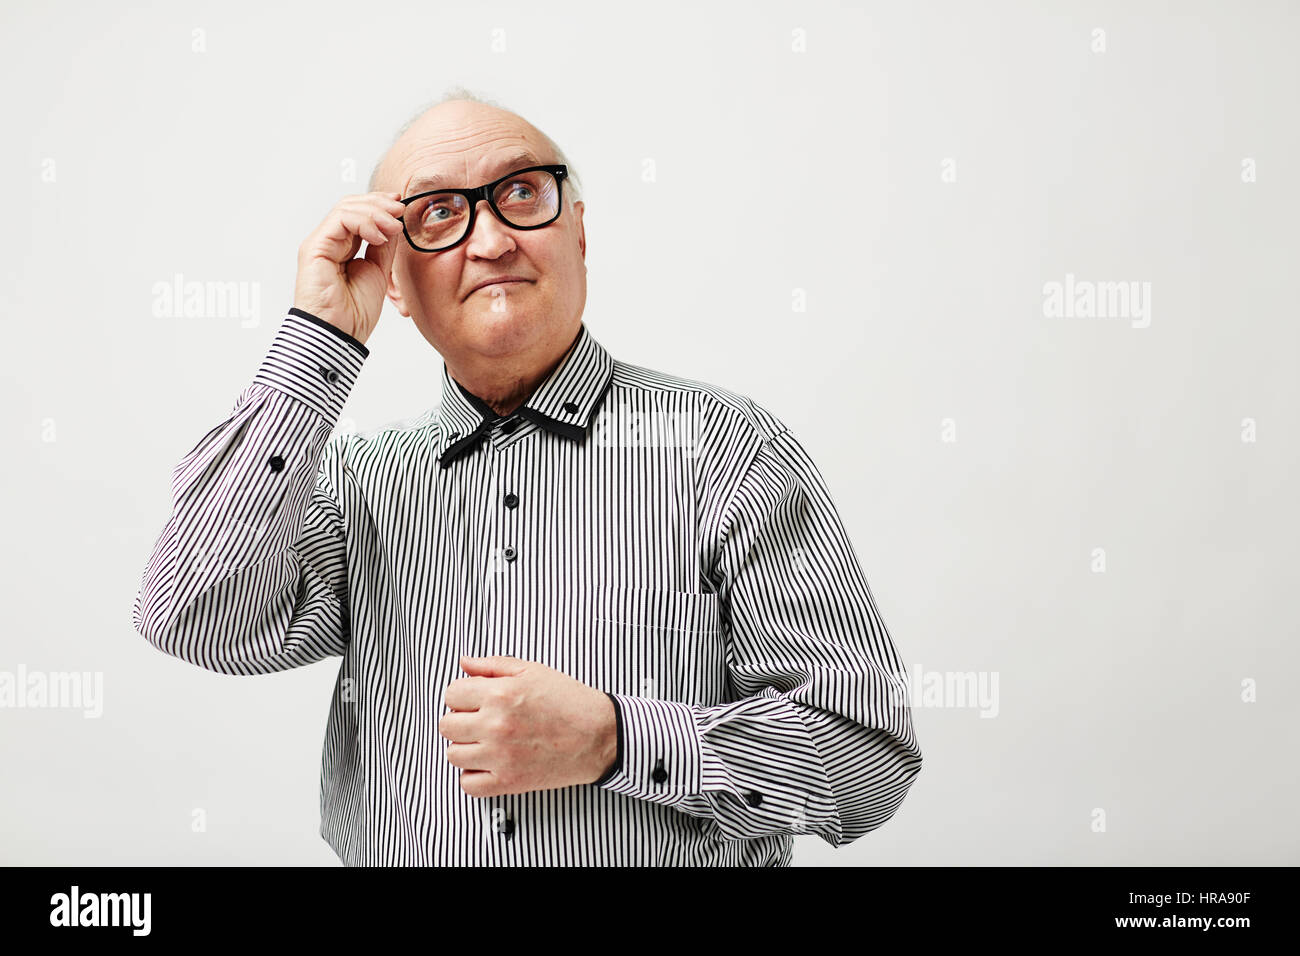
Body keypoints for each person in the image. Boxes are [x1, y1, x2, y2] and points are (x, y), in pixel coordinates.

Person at [132, 90, 923, 866]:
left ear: (578, 233)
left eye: (520, 193)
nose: (491, 240)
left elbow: (868, 760)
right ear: (397, 283)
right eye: (438, 212)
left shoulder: (724, 449)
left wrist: (614, 738)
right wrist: (317, 343)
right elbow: (193, 615)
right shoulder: (357, 485)